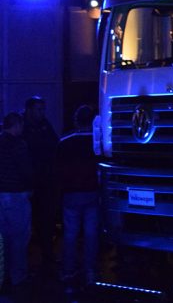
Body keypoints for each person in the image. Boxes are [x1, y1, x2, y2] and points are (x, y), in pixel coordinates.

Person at [56, 105, 100, 287]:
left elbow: (58, 168)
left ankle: (68, 270)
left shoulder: (64, 141)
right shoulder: (97, 142)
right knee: (91, 234)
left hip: (70, 193)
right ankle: (90, 271)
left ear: (76, 120)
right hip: (92, 192)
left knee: (70, 233)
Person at [21, 96, 58, 269]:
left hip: (45, 181)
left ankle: (46, 256)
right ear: (29, 110)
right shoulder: (22, 126)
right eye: (39, 109)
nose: (42, 113)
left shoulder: (44, 124)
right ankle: (25, 262)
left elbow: (55, 145)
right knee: (27, 223)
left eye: (43, 109)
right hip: (29, 183)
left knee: (46, 220)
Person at [0, 112, 32, 294]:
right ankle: (17, 276)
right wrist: (31, 186)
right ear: (16, 125)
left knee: (2, 238)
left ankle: (3, 275)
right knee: (19, 238)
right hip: (16, 195)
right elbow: (25, 170)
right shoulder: (19, 144)